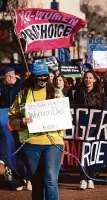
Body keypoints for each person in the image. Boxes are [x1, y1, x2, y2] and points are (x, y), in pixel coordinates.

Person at [8, 61, 65, 200]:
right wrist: (21, 122)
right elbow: (12, 120)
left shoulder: (57, 94)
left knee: (51, 179)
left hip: (53, 143)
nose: (42, 79)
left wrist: (61, 119)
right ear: (33, 76)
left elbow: (67, 116)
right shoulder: (23, 94)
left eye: (45, 75)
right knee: (37, 183)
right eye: (39, 76)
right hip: (31, 144)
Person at [72, 70, 106, 190]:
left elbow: (104, 109)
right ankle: (82, 178)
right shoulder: (78, 93)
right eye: (86, 78)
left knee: (92, 152)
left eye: (90, 78)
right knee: (82, 154)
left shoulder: (99, 93)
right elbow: (74, 108)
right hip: (81, 128)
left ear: (95, 80)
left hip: (95, 129)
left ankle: (91, 178)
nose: (88, 80)